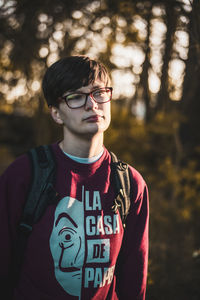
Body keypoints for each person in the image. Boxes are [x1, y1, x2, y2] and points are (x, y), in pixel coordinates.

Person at [0, 55, 149, 300]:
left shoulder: (130, 183)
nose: (92, 105)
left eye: (99, 93)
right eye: (76, 97)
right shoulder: (24, 175)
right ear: (56, 114)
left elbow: (134, 279)